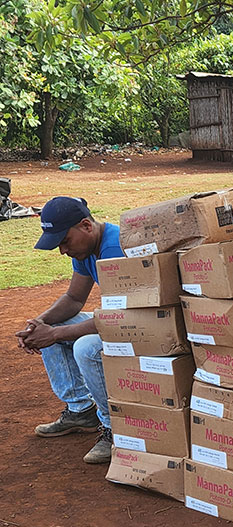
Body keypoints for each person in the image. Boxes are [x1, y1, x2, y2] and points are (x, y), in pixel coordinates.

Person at [15, 197, 123, 464]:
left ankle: (114, 429)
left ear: (86, 225)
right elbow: (75, 299)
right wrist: (39, 324)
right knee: (53, 327)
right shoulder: (87, 249)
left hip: (152, 325)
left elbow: (118, 317)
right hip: (124, 319)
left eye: (64, 241)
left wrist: (52, 335)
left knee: (86, 347)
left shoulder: (114, 248)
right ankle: (81, 410)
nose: (63, 250)